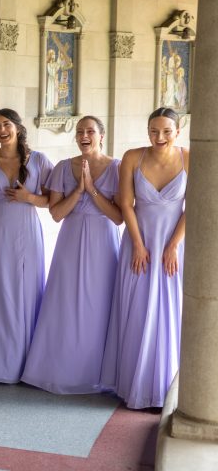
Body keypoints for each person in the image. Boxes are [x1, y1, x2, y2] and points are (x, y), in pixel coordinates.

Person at [21, 116, 122, 394]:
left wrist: (92, 190)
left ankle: (97, 373)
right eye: (80, 132)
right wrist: (79, 190)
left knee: (99, 302)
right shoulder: (65, 167)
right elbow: (55, 214)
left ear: (101, 135)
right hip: (71, 239)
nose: (84, 135)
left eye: (90, 131)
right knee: (65, 299)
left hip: (103, 242)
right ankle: (60, 369)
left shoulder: (117, 168)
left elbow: (118, 217)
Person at [101, 107, 188, 409]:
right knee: (137, 310)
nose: (159, 137)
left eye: (166, 131)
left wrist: (173, 245)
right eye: (154, 131)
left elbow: (195, 206)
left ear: (178, 130)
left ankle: (167, 388)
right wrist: (138, 245)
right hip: (138, 242)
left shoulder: (190, 157)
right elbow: (126, 204)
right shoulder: (132, 157)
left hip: (173, 245)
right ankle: (135, 387)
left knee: (171, 311)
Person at [0, 108, 53, 384]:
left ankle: (27, 366)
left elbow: (52, 201)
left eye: (6, 124)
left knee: (27, 293)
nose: (1, 130)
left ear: (18, 127)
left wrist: (29, 196)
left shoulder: (39, 160)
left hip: (28, 232)